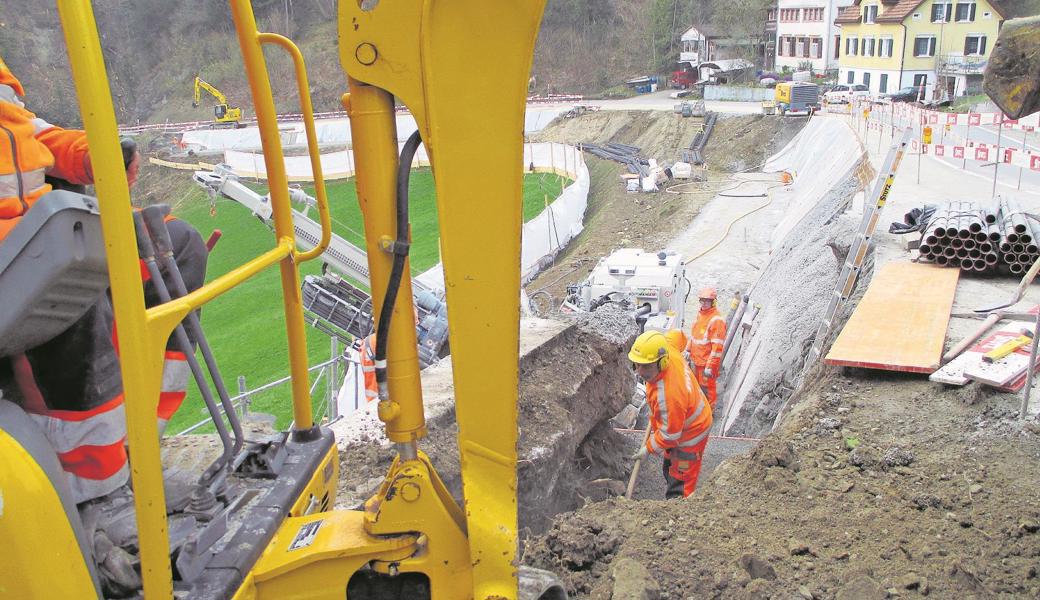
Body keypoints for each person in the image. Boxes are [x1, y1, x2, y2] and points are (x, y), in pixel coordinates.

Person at [0, 57, 206, 503]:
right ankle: (96, 493)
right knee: (70, 291)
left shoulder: (2, 82)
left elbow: (38, 136)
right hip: (19, 251)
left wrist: (96, 156)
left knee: (175, 247)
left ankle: (138, 445)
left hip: (38, 234)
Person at [629, 330, 712, 499]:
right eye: (637, 364)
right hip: (683, 416)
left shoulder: (668, 395)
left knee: (680, 479)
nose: (640, 372)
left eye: (646, 366)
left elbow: (670, 435)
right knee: (668, 464)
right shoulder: (667, 348)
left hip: (692, 433)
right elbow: (677, 335)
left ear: (662, 362)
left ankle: (679, 510)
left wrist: (648, 449)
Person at [687, 287, 726, 411]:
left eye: (707, 301)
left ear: (713, 302)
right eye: (702, 300)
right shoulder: (701, 315)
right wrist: (688, 350)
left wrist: (710, 366)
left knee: (708, 388)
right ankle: (700, 411)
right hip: (697, 360)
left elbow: (717, 347)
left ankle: (709, 412)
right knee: (697, 388)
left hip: (706, 364)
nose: (704, 303)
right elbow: (694, 335)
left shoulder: (716, 320)